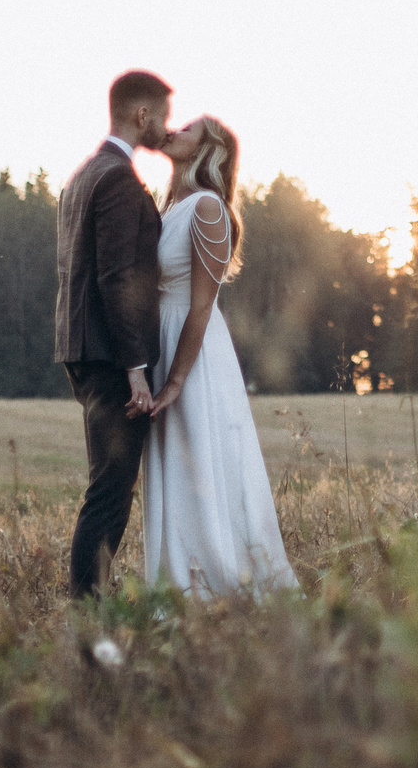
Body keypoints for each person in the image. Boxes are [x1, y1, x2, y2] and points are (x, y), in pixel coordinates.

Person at [138, 114, 296, 596]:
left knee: (201, 456)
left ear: (210, 150)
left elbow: (202, 305)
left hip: (193, 349)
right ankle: (178, 578)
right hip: (162, 340)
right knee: (174, 462)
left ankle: (216, 580)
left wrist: (176, 381)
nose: (174, 129)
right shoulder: (173, 206)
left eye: (188, 128)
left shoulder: (207, 207)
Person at [53, 69, 172, 598]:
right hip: (110, 356)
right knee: (109, 494)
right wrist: (136, 368)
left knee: (108, 488)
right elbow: (117, 277)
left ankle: (90, 603)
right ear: (142, 115)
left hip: (82, 349)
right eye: (163, 116)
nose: (166, 127)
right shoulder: (119, 179)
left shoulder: (82, 174)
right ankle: (87, 610)